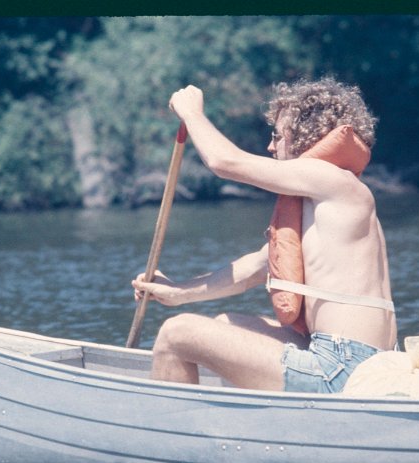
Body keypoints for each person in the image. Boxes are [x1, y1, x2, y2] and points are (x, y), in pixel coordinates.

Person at [132, 78, 398, 393]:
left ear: (304, 137)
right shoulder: (325, 203)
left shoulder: (330, 179)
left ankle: (172, 436)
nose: (270, 146)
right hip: (360, 361)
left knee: (176, 334)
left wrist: (192, 115)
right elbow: (252, 269)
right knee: (227, 325)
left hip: (341, 365)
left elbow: (224, 162)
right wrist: (177, 292)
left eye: (276, 135)